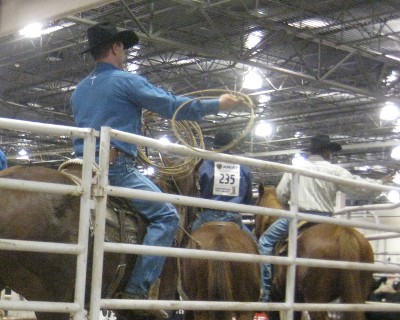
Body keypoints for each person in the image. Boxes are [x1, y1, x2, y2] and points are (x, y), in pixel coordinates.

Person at [71, 21, 242, 318]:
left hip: (79, 166)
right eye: (122, 47)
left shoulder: (79, 90)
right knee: (167, 215)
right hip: (116, 168)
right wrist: (219, 104)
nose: (123, 52)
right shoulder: (126, 81)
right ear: (115, 47)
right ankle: (137, 290)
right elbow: (173, 106)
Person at [258, 134, 393, 303]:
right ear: (326, 151)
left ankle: (265, 291)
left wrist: (291, 200)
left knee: (265, 241)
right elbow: (359, 188)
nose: (331, 155)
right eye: (330, 151)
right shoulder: (335, 171)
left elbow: (282, 195)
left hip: (300, 217)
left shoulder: (296, 168)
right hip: (327, 219)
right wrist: (380, 183)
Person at [191, 130, 255, 239]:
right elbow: (248, 200)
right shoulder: (244, 168)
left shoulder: (205, 166)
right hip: (233, 218)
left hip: (208, 216)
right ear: (232, 146)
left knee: (188, 240)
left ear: (215, 146)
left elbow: (196, 192)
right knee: (255, 245)